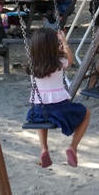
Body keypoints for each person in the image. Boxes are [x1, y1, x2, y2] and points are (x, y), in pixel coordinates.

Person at [25, 27, 90, 168]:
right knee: (86, 113)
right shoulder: (59, 62)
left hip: (38, 111)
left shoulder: (32, 65)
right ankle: (72, 147)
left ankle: (44, 149)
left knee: (41, 118)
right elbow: (71, 60)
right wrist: (64, 43)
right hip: (60, 110)